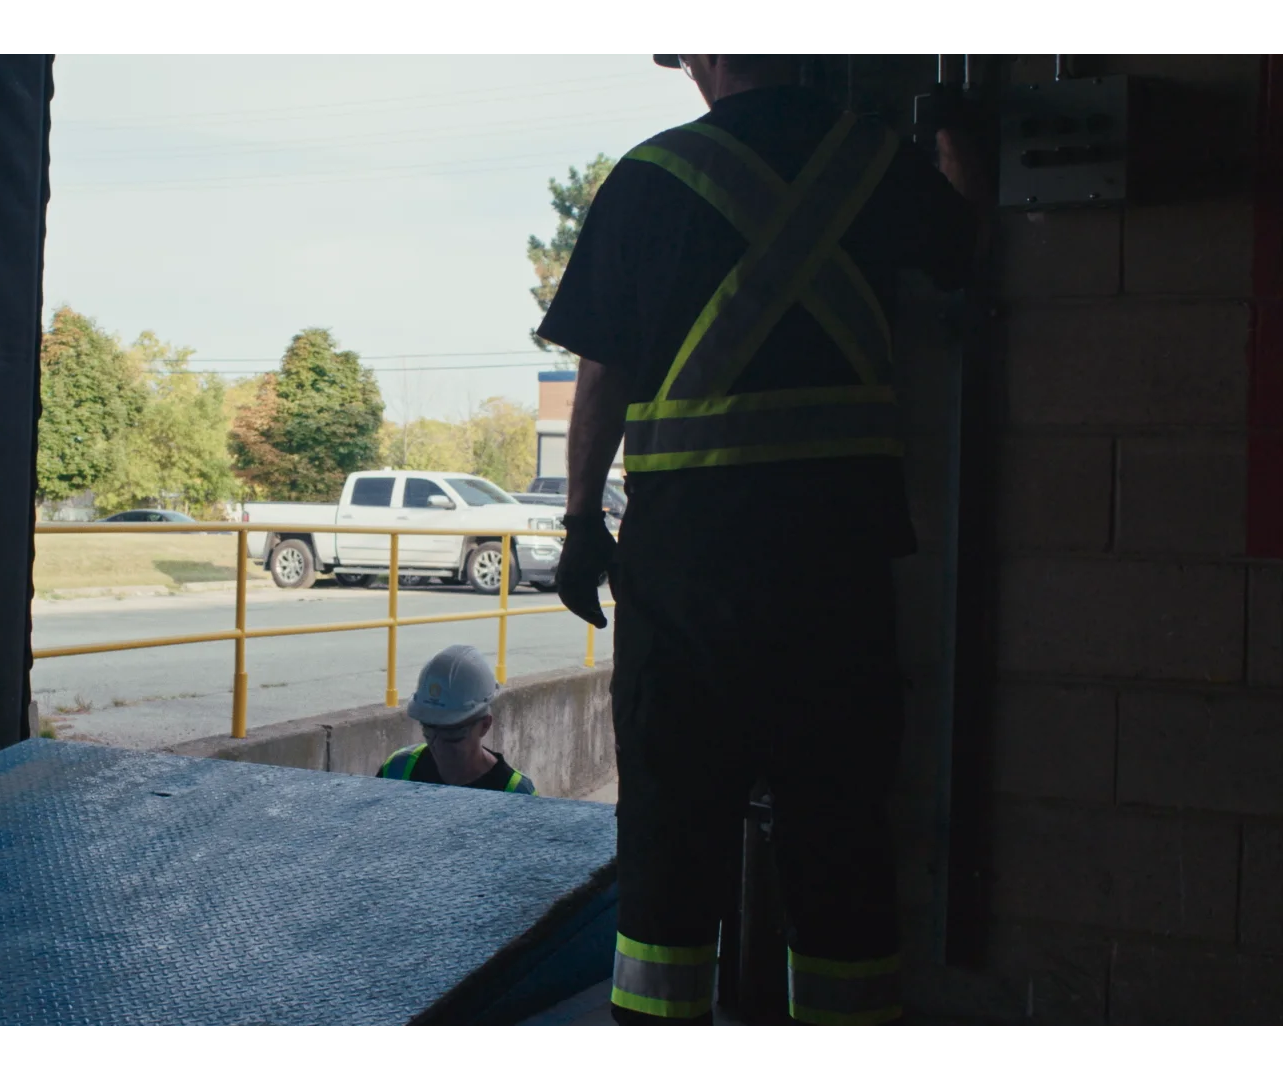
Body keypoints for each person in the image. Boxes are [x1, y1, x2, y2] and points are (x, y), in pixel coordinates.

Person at [538, 47, 987, 1032]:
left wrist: (579, 522)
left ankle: (661, 1023)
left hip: (684, 574)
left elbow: (602, 376)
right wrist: (957, 128)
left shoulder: (649, 179)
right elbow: (962, 243)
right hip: (835, 569)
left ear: (703, 55)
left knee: (670, 821)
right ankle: (847, 1022)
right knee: (840, 825)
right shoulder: (872, 166)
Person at [377, 644, 537, 795]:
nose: (437, 746)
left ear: (485, 725)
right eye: (428, 728)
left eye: (452, 734)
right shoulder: (397, 770)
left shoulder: (517, 795)